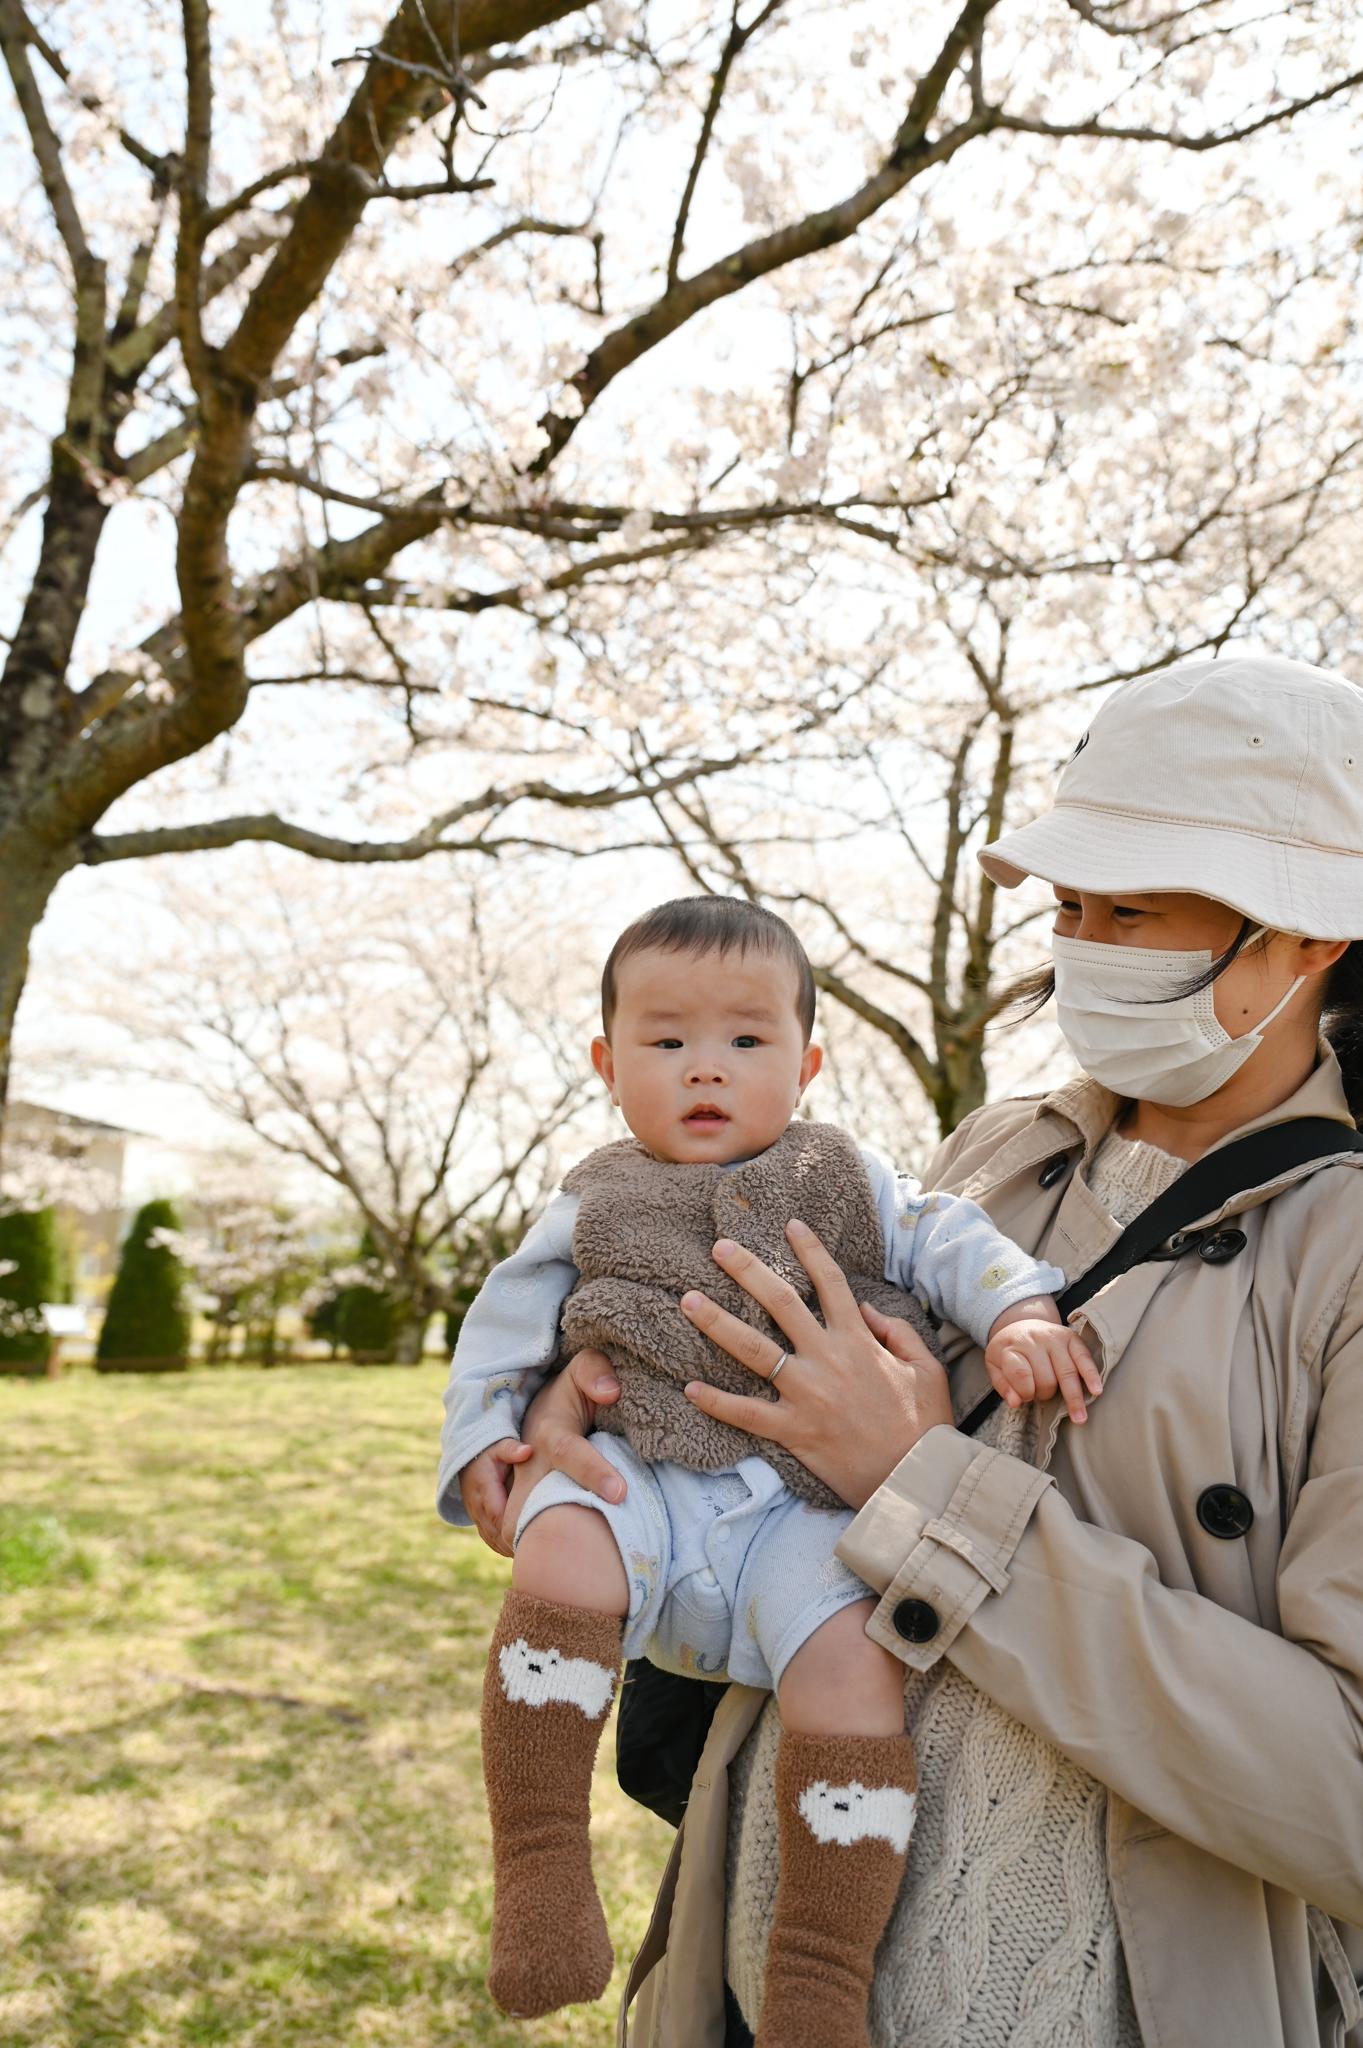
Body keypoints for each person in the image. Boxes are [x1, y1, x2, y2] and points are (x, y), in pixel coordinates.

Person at [496, 652, 1363, 2048]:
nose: (1074, 940)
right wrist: (580, 1402)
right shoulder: (992, 1156)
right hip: (770, 1946)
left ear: (1303, 939)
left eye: (1128, 910)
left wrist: (922, 1489)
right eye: (1067, 904)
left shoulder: (1341, 1250)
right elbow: (757, 1378)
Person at [438, 897, 1101, 2041]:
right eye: (665, 1040)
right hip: (636, 1473)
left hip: (802, 1511)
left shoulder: (850, 1176)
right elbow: (505, 1322)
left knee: (857, 1665)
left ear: (808, 1060)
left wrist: (1017, 1312)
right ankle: (541, 1863)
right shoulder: (593, 1193)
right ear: (605, 1062)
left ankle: (815, 1973)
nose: (706, 1068)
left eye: (746, 1040)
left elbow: (952, 1241)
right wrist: (487, 1442)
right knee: (561, 1534)